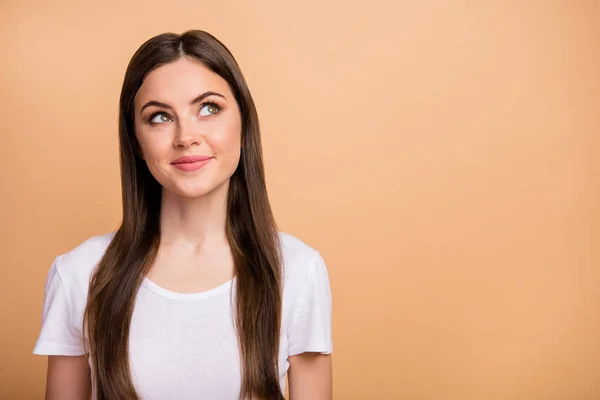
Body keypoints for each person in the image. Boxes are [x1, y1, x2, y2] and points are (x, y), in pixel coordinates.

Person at [32, 30, 333, 400]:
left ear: (244, 123)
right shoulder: (79, 273)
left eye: (209, 108)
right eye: (159, 117)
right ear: (137, 142)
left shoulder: (299, 270)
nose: (186, 136)